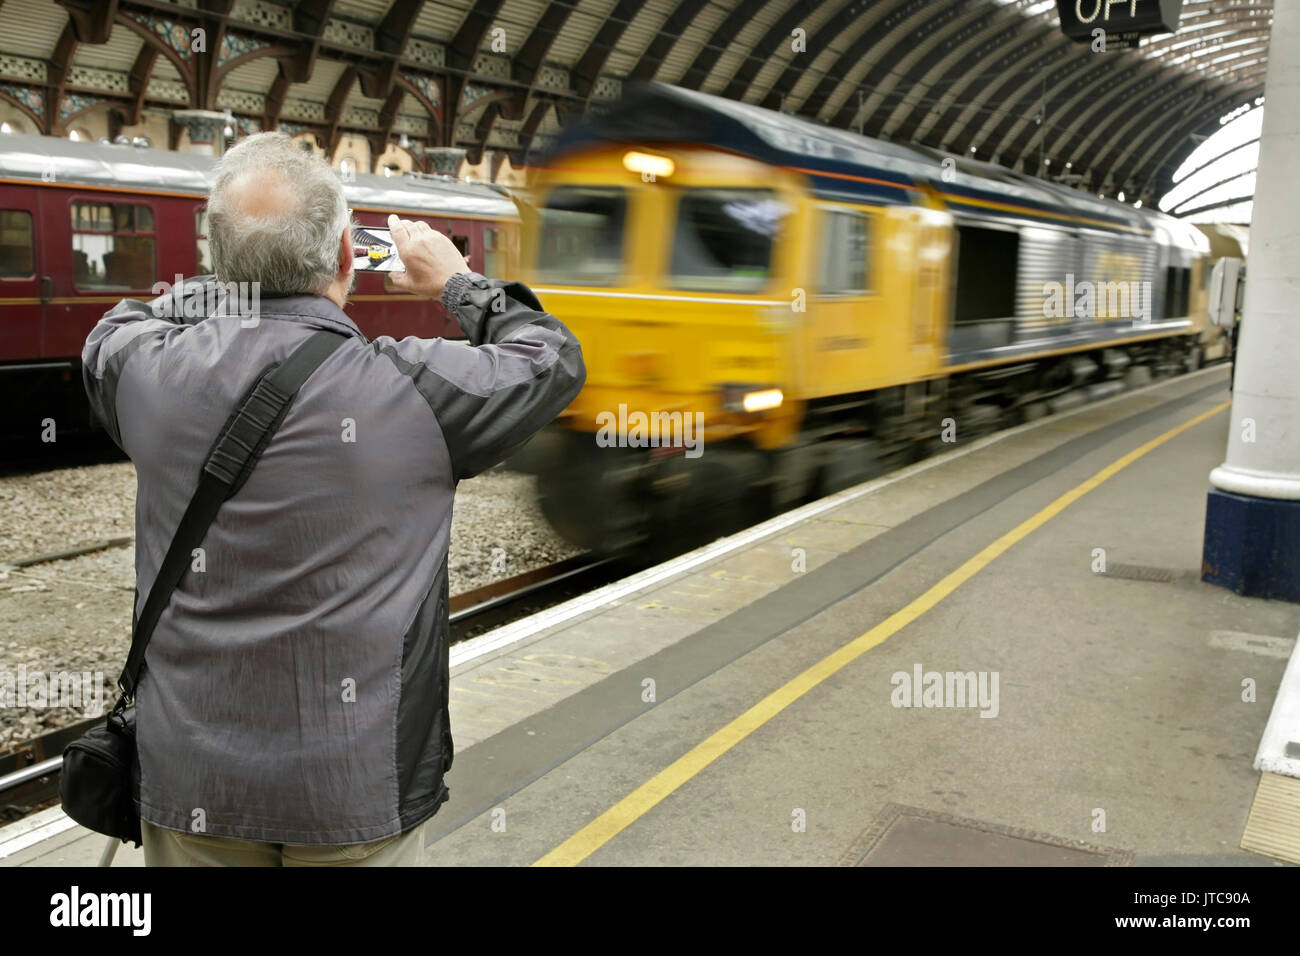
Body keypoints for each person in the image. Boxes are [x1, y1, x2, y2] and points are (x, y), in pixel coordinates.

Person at [81, 132, 585, 866]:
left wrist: (235, 283)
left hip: (193, 785)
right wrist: (455, 282)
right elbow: (550, 357)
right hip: (357, 789)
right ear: (349, 256)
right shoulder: (417, 392)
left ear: (218, 263)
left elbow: (116, 326)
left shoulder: (144, 373)